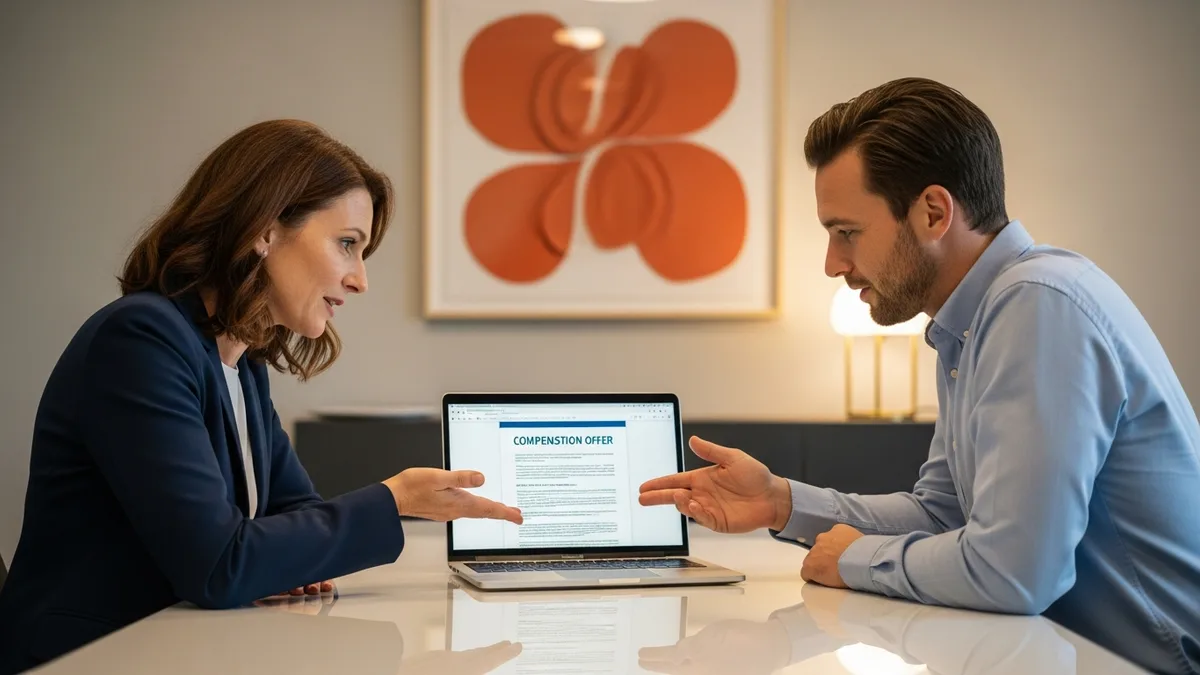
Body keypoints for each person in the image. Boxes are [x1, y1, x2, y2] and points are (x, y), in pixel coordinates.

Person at [639, 77, 1200, 675]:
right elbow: (943, 516)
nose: (834, 264)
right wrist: (781, 502)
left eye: (847, 232)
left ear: (933, 212)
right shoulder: (972, 322)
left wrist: (857, 559)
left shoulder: (1037, 307)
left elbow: (1016, 573)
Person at [0, 119, 523, 674]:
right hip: (88, 659)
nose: (360, 280)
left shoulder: (240, 360)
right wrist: (394, 501)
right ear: (265, 230)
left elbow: (293, 511)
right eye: (347, 244)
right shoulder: (140, 339)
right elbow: (221, 564)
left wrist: (282, 555)